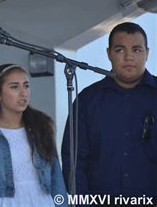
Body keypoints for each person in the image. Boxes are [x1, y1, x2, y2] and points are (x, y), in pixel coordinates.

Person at [61, 22, 156, 198]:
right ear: (109, 53)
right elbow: (73, 161)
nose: (128, 57)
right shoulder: (87, 101)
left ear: (147, 53)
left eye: (136, 50)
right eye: (120, 50)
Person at [0, 64, 68, 207]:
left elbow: (56, 177)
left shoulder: (42, 125)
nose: (23, 93)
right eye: (14, 87)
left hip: (42, 202)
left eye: (26, 86)